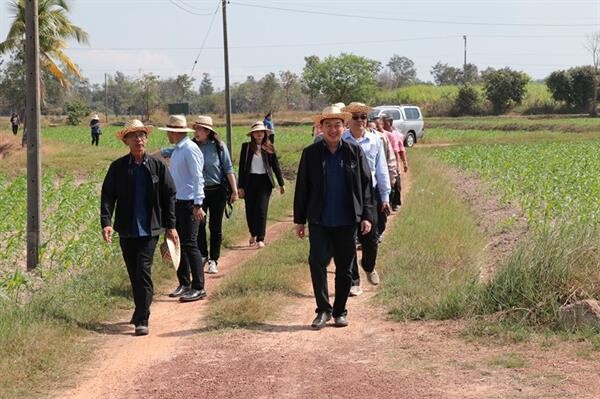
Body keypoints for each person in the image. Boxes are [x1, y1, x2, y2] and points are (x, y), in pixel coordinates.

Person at [294, 105, 374, 329]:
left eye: (337, 125)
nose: (332, 129)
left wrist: (366, 215)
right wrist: (300, 220)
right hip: (319, 220)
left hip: (347, 220)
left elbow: (366, 185)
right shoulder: (310, 154)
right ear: (320, 128)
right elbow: (302, 188)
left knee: (345, 268)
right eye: (327, 125)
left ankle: (340, 311)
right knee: (317, 263)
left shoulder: (353, 151)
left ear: (344, 126)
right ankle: (323, 310)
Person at [100, 119, 178, 336]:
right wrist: (106, 223)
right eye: (134, 135)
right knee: (134, 273)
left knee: (143, 270)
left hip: (150, 229)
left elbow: (169, 195)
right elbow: (107, 196)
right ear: (126, 140)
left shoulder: (157, 166)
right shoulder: (117, 168)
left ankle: (142, 319)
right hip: (126, 229)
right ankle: (139, 308)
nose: (139, 139)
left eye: (142, 135)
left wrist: (171, 226)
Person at [341, 102, 391, 296]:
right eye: (356, 117)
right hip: (348, 193)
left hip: (370, 193)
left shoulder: (375, 140)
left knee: (371, 237)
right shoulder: (342, 140)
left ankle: (369, 265)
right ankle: (354, 280)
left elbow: (381, 168)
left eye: (363, 117)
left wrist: (385, 196)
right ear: (349, 120)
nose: (361, 121)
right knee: (348, 238)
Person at [159, 115, 208, 302]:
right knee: (177, 244)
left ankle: (198, 287)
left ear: (175, 132)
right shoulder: (178, 150)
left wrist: (198, 204)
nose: (168, 135)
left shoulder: (190, 149)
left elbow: (198, 178)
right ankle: (184, 283)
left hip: (189, 204)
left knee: (190, 244)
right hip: (176, 202)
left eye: (169, 132)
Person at [191, 115, 238, 274]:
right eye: (196, 128)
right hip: (199, 192)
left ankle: (213, 259)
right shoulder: (191, 146)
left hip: (217, 191)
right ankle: (203, 254)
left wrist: (235, 191)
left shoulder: (218, 146)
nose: (197, 131)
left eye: (200, 129)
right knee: (200, 224)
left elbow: (228, 169)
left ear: (207, 131)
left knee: (215, 226)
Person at [238, 121, 285, 248]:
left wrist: (281, 183)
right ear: (252, 135)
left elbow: (275, 166)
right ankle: (253, 233)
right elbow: (242, 168)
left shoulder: (269, 147)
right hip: (250, 181)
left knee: (261, 209)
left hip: (265, 182)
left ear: (265, 134)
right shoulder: (246, 147)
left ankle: (260, 237)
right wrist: (240, 186)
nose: (259, 135)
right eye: (256, 133)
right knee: (250, 210)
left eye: (261, 132)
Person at [382, 114, 409, 211]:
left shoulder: (397, 135)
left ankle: (395, 203)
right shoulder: (381, 134)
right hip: (384, 162)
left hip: (394, 163)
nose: (382, 124)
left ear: (389, 123)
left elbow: (401, 150)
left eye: (383, 122)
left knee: (396, 184)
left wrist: (404, 163)